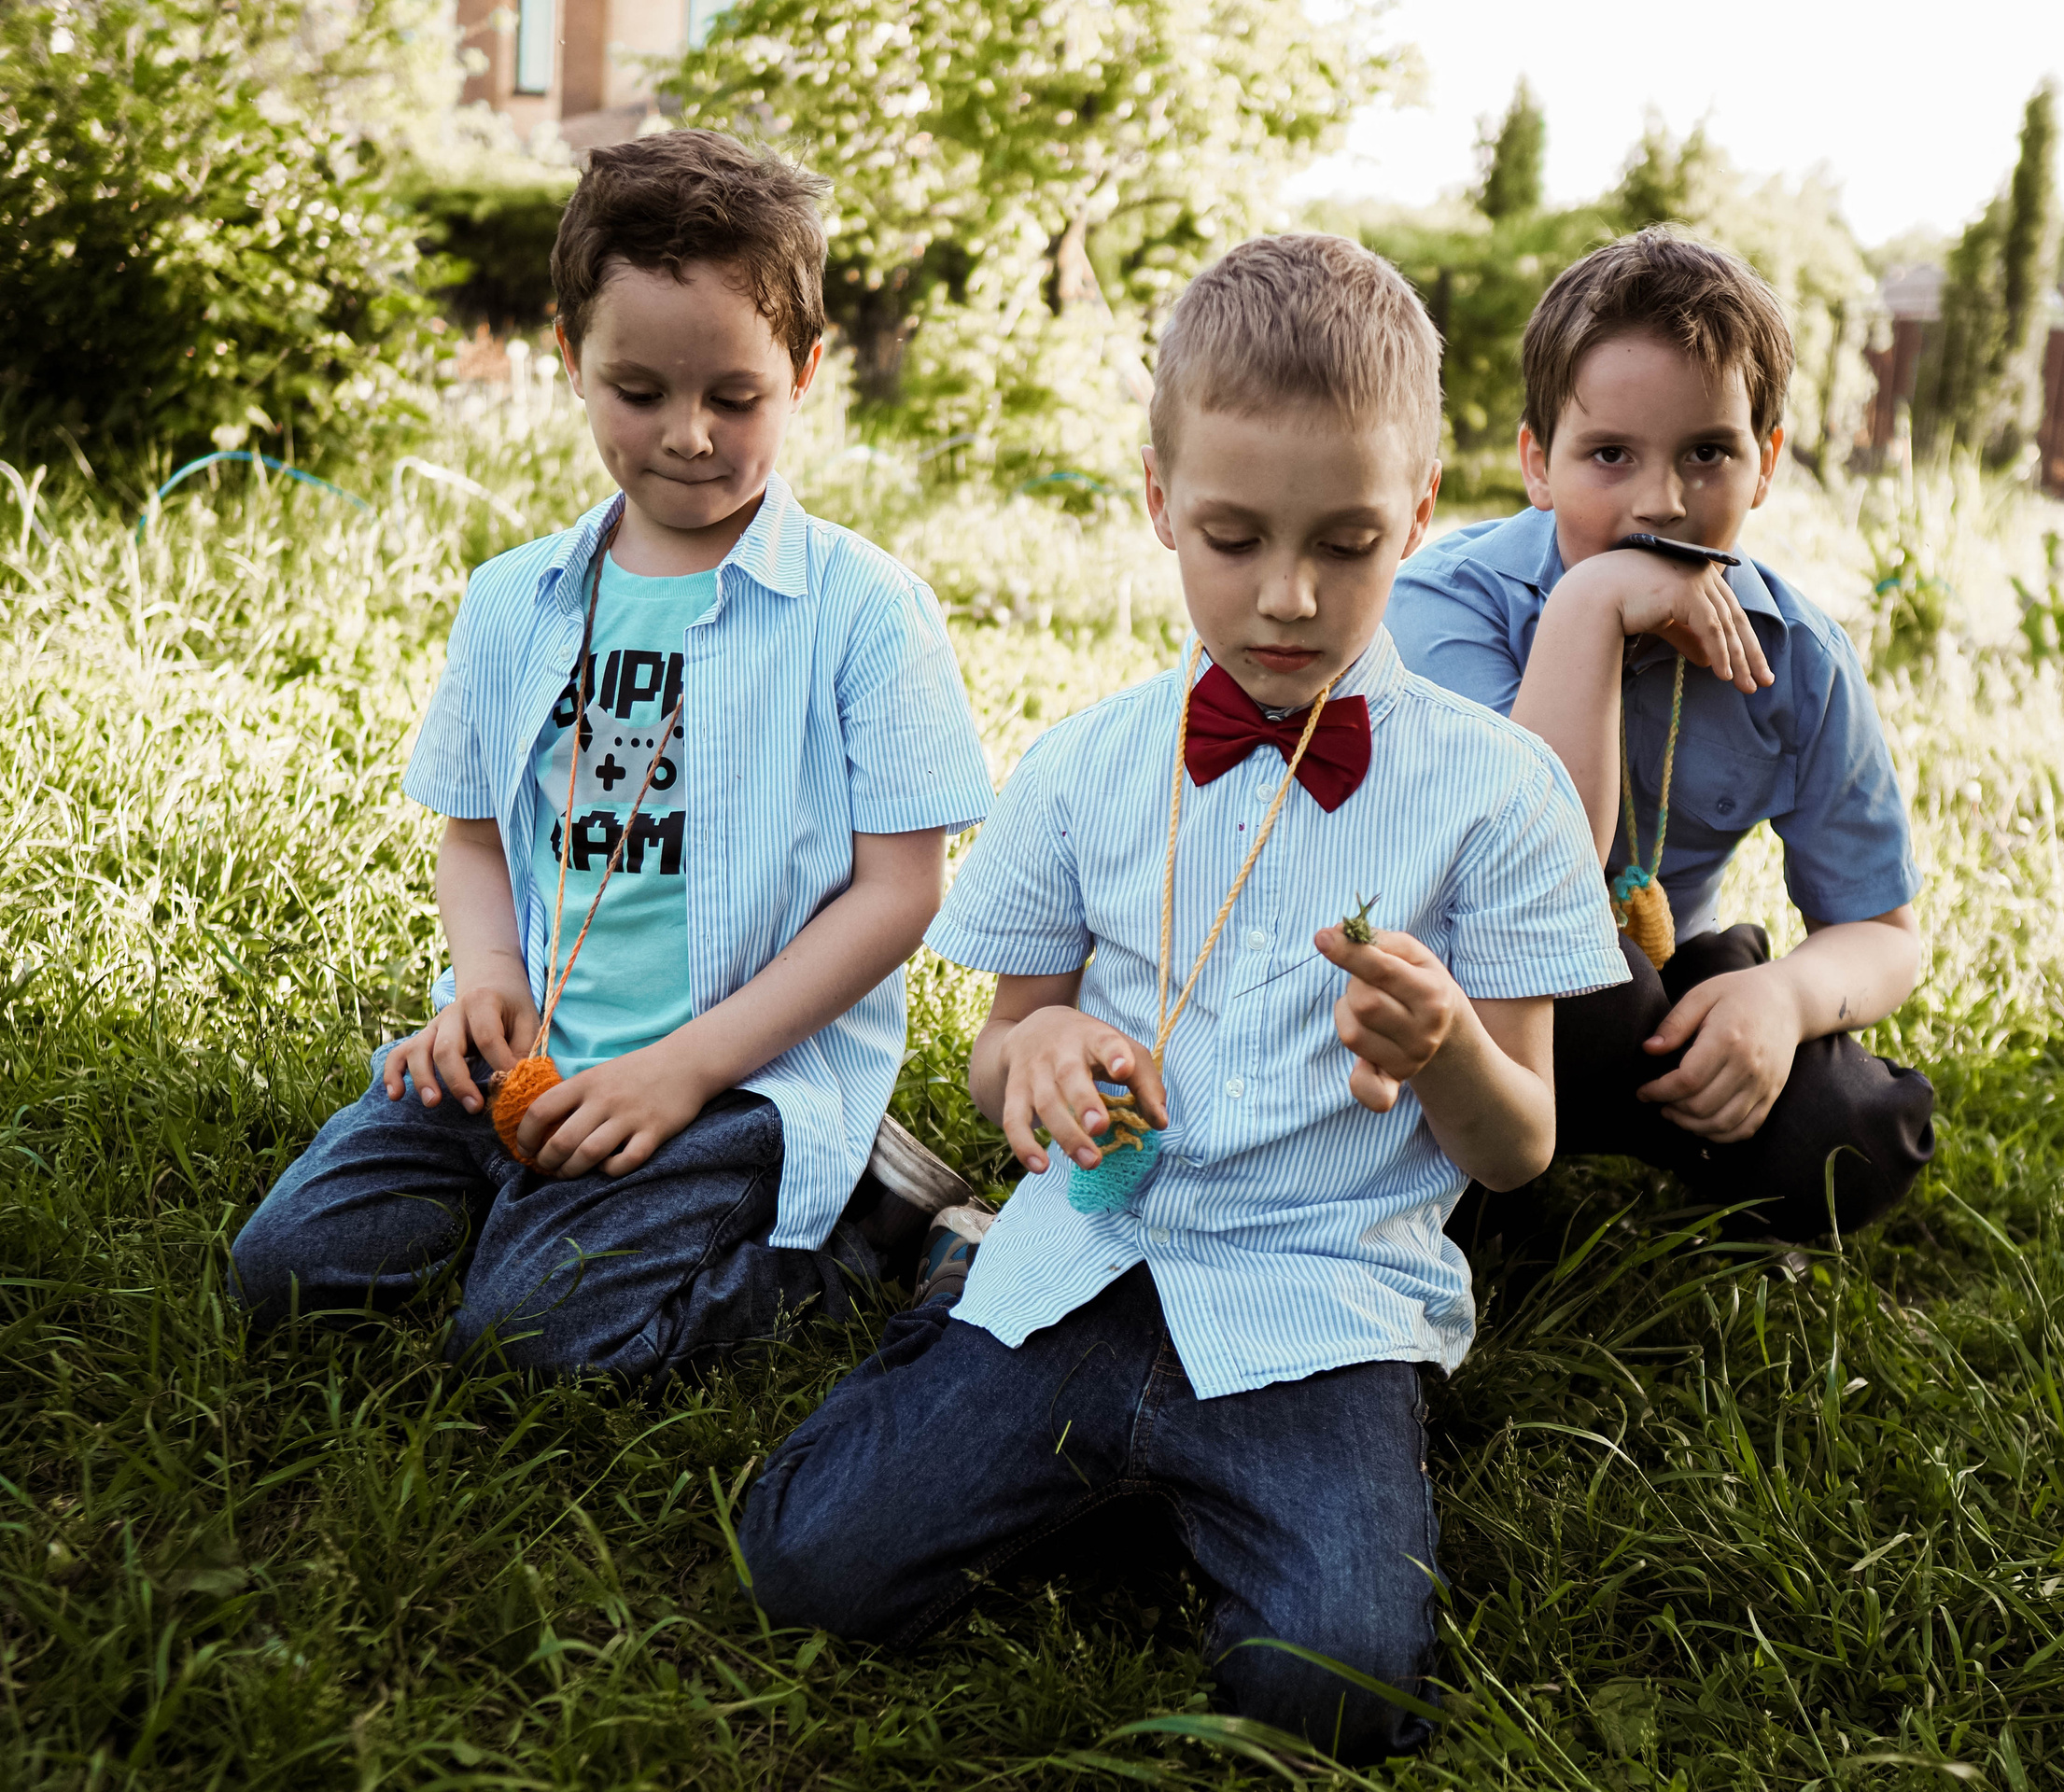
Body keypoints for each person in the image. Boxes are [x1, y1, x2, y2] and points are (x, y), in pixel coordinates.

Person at [735, 235, 1629, 1764]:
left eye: (1347, 544)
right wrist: (1042, 1054)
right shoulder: (1091, 765)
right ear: (1159, 505)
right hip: (1093, 1245)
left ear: (1420, 514)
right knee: (806, 1563)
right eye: (1232, 536)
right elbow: (1001, 1049)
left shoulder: (1498, 794)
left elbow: (1519, 1143)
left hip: (1318, 1299)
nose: (1288, 597)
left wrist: (1450, 1048)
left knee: (1337, 1689)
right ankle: (979, 1303)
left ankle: (1163, 1474)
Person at [230, 131, 994, 1377]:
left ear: (803, 372)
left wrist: (681, 1072)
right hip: (519, 1062)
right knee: (290, 1272)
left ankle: (865, 1235)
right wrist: (482, 980)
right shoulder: (515, 601)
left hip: (739, 1075)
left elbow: (901, 891)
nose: (689, 435)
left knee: (528, 1337)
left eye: (734, 398)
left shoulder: (861, 606)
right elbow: (474, 832)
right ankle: (542, 1205)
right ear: (570, 359)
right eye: (639, 392)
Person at [1388, 226, 1934, 1246]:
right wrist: (1590, 605)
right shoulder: (1440, 607)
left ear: (1764, 464)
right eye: (1609, 455)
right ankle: (1486, 1180)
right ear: (1535, 464)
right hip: (1464, 987)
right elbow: (1534, 871)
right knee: (1577, 968)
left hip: (1650, 1004)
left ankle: (1658, 1108)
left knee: (1853, 1134)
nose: (1660, 501)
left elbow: (1885, 939)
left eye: (1707, 453)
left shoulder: (1798, 656)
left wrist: (1780, 1000)